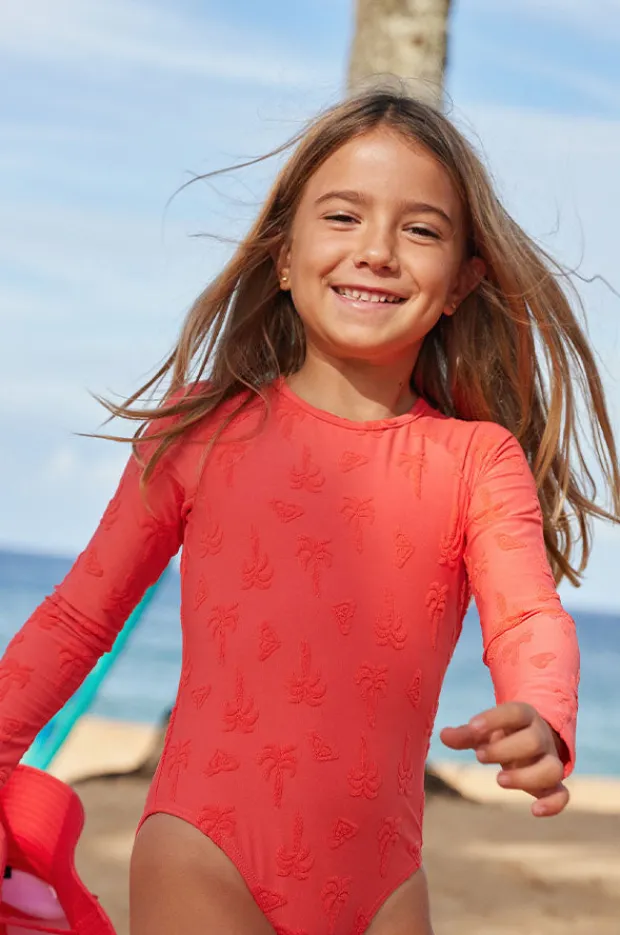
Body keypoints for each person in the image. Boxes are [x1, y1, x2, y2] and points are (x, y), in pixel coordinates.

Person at [0, 88, 618, 935]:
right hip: (203, 847)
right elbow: (79, 618)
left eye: (421, 229)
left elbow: (527, 617)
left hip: (385, 882)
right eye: (342, 216)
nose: (377, 251)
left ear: (461, 282)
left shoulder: (479, 461)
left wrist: (543, 711)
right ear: (285, 255)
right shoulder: (199, 431)